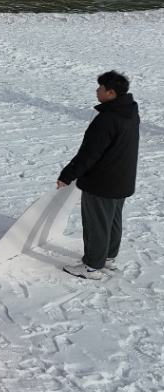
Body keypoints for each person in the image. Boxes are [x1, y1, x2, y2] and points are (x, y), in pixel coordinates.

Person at [58, 71, 140, 280]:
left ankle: (92, 266)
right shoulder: (130, 111)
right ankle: (108, 257)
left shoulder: (107, 119)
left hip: (102, 182)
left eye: (100, 88)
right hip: (122, 179)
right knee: (112, 220)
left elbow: (89, 153)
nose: (97, 91)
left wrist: (67, 175)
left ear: (111, 93)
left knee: (97, 224)